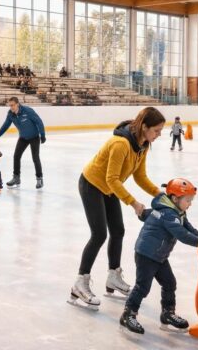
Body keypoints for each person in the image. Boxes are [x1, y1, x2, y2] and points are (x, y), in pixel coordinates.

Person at [69, 107, 165, 310]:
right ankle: (80, 282)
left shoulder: (143, 145)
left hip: (109, 187)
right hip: (92, 184)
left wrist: (159, 194)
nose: (159, 135)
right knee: (99, 234)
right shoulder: (121, 144)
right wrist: (133, 203)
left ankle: (113, 276)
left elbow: (140, 177)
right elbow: (111, 179)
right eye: (156, 130)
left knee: (118, 231)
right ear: (144, 127)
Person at [120, 179, 198, 335]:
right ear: (175, 198)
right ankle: (128, 315)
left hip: (159, 255)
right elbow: (182, 234)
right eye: (188, 200)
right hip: (146, 254)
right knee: (142, 287)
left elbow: (188, 228)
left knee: (169, 283)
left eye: (191, 200)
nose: (190, 204)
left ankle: (167, 314)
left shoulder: (178, 212)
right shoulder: (169, 213)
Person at [0, 97, 46, 189]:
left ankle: (39, 179)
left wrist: (42, 134)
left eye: (13, 105)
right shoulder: (10, 114)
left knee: (35, 158)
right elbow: (5, 125)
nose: (11, 107)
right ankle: (16, 178)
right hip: (23, 138)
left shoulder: (28, 111)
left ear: (17, 104)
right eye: (10, 105)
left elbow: (39, 121)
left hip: (34, 137)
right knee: (16, 156)